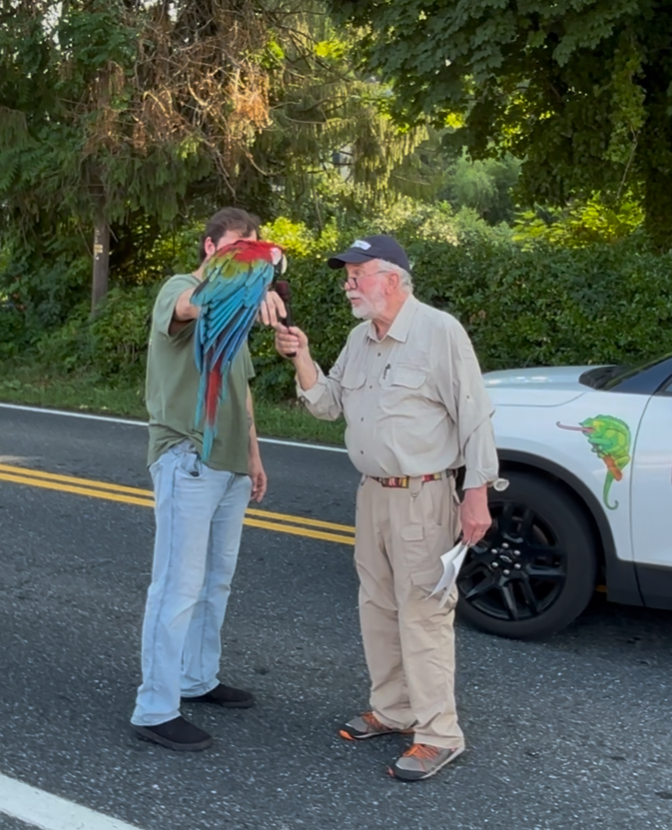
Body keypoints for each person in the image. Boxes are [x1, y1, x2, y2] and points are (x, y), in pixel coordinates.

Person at [269, 234, 500, 782]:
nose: (348, 286)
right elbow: (328, 405)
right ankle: (395, 709)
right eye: (347, 277)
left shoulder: (438, 331)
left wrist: (477, 493)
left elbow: (475, 415)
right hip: (372, 493)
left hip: (424, 494)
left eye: (358, 276)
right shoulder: (360, 338)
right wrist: (302, 356)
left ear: (392, 279)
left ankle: (439, 734)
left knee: (423, 613)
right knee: (376, 606)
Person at [130, 207, 287, 752]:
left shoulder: (237, 315)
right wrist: (240, 288)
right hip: (188, 455)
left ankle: (197, 678)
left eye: (254, 251)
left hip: (231, 465)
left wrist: (254, 458)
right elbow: (185, 308)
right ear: (210, 247)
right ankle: (155, 707)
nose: (247, 261)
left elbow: (242, 392)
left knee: (216, 582)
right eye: (238, 249)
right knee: (177, 584)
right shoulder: (182, 288)